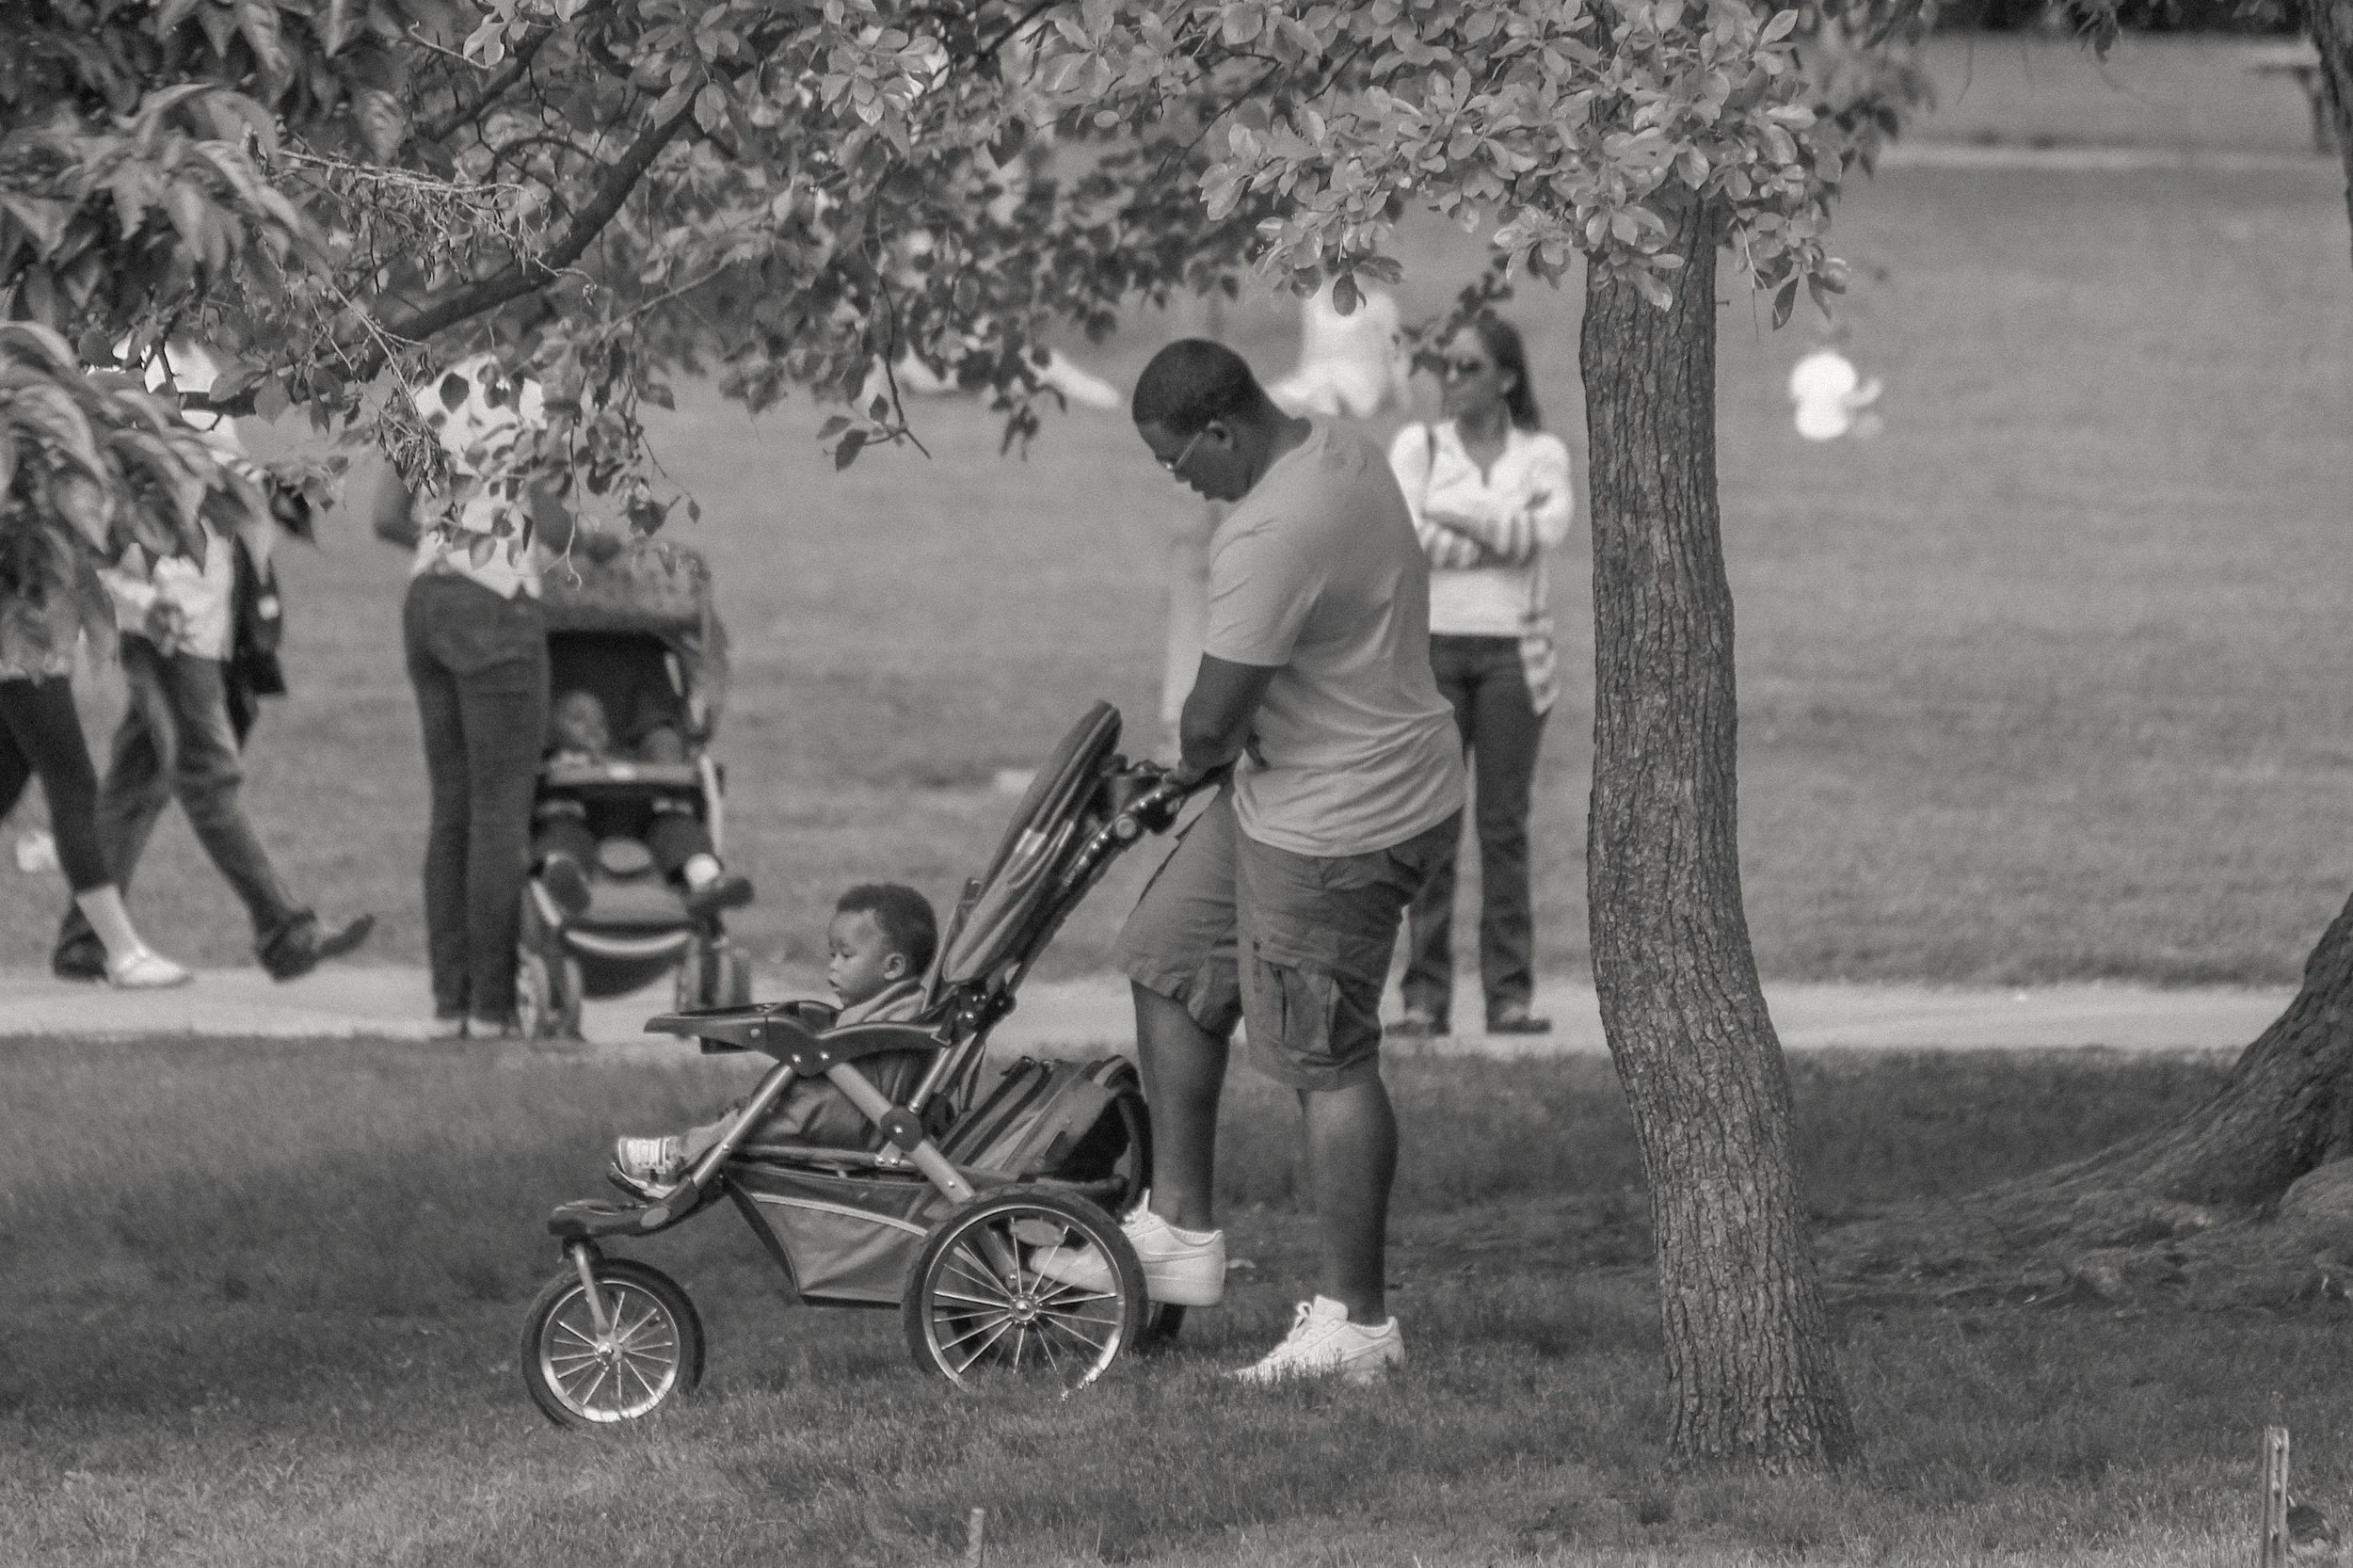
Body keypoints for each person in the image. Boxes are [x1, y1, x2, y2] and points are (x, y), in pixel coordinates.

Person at [1050, 339, 1465, 1384]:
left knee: (1323, 1059)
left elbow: (1206, 728)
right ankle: (1179, 1226)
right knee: (1169, 962)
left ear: (1222, 430)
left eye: (1176, 458)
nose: (1177, 480)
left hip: (1341, 819)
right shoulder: (1340, 448)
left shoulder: (1272, 530)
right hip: (1284, 792)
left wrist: (1189, 752)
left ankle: (1355, 1325)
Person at [51, 344, 374, 984]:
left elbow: (212, 476)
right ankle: (283, 928)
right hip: (169, 614)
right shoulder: (125, 363)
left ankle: (86, 938)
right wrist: (140, 605)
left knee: (139, 775)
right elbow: (96, 501)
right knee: (206, 773)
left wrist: (279, 491)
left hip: (206, 609)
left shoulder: (197, 355)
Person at [367, 353, 586, 1039]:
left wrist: (446, 539)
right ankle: (492, 1009)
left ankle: (448, 1005)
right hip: (499, 607)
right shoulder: (535, 402)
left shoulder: (427, 395)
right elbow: (553, 529)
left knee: (452, 809)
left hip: (427, 602)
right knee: (500, 811)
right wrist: (604, 547)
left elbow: (384, 516)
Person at [1384, 315, 1576, 1038]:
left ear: (1507, 377)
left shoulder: (1543, 452)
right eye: (1447, 368)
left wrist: (1453, 511)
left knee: (1503, 829)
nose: (1452, 380)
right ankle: (1424, 999)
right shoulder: (1419, 446)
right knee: (1431, 826)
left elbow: (1545, 534)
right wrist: (1500, 529)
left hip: (1514, 659)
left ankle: (1509, 998)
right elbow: (1409, 540)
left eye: (1468, 367)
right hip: (1432, 651)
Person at [609, 882, 936, 1194]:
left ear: (892, 967)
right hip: (841, 1112)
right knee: (754, 1112)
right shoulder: (903, 1007)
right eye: (831, 954)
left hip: (839, 1122)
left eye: (845, 956)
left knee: (757, 1122)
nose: (832, 967)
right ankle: (692, 1153)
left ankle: (679, 1158)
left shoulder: (895, 1020)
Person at [2, 562, 188, 987]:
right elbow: (47, 545)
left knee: (9, 777)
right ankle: (123, 953)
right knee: (73, 784)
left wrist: (140, 603)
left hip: (30, 635)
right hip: (22, 644)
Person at [533, 686, 752, 920]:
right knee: (562, 836)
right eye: (577, 719)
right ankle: (564, 878)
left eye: (600, 723)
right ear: (551, 729)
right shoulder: (547, 764)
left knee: (677, 829)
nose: (592, 729)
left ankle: (706, 880)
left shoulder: (622, 756)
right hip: (578, 820)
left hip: (641, 819)